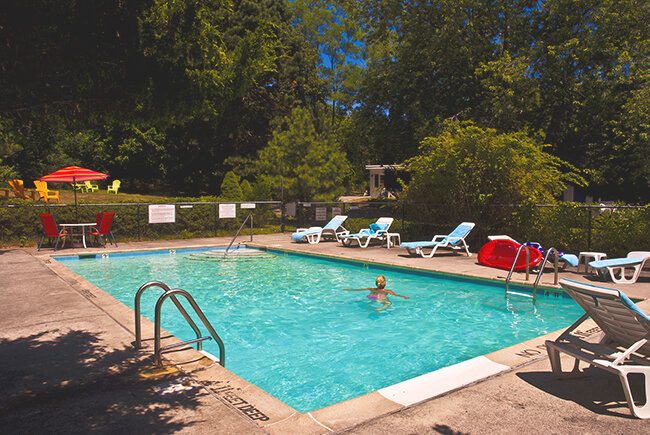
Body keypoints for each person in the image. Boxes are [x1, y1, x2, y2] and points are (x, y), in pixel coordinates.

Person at [343, 275, 409, 311]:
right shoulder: (387, 291)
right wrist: (404, 296)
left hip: (371, 296)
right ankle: (379, 309)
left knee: (373, 301)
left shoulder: (371, 289)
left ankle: (368, 305)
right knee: (388, 303)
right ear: (385, 283)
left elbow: (359, 290)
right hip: (380, 297)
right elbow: (396, 295)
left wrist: (348, 289)